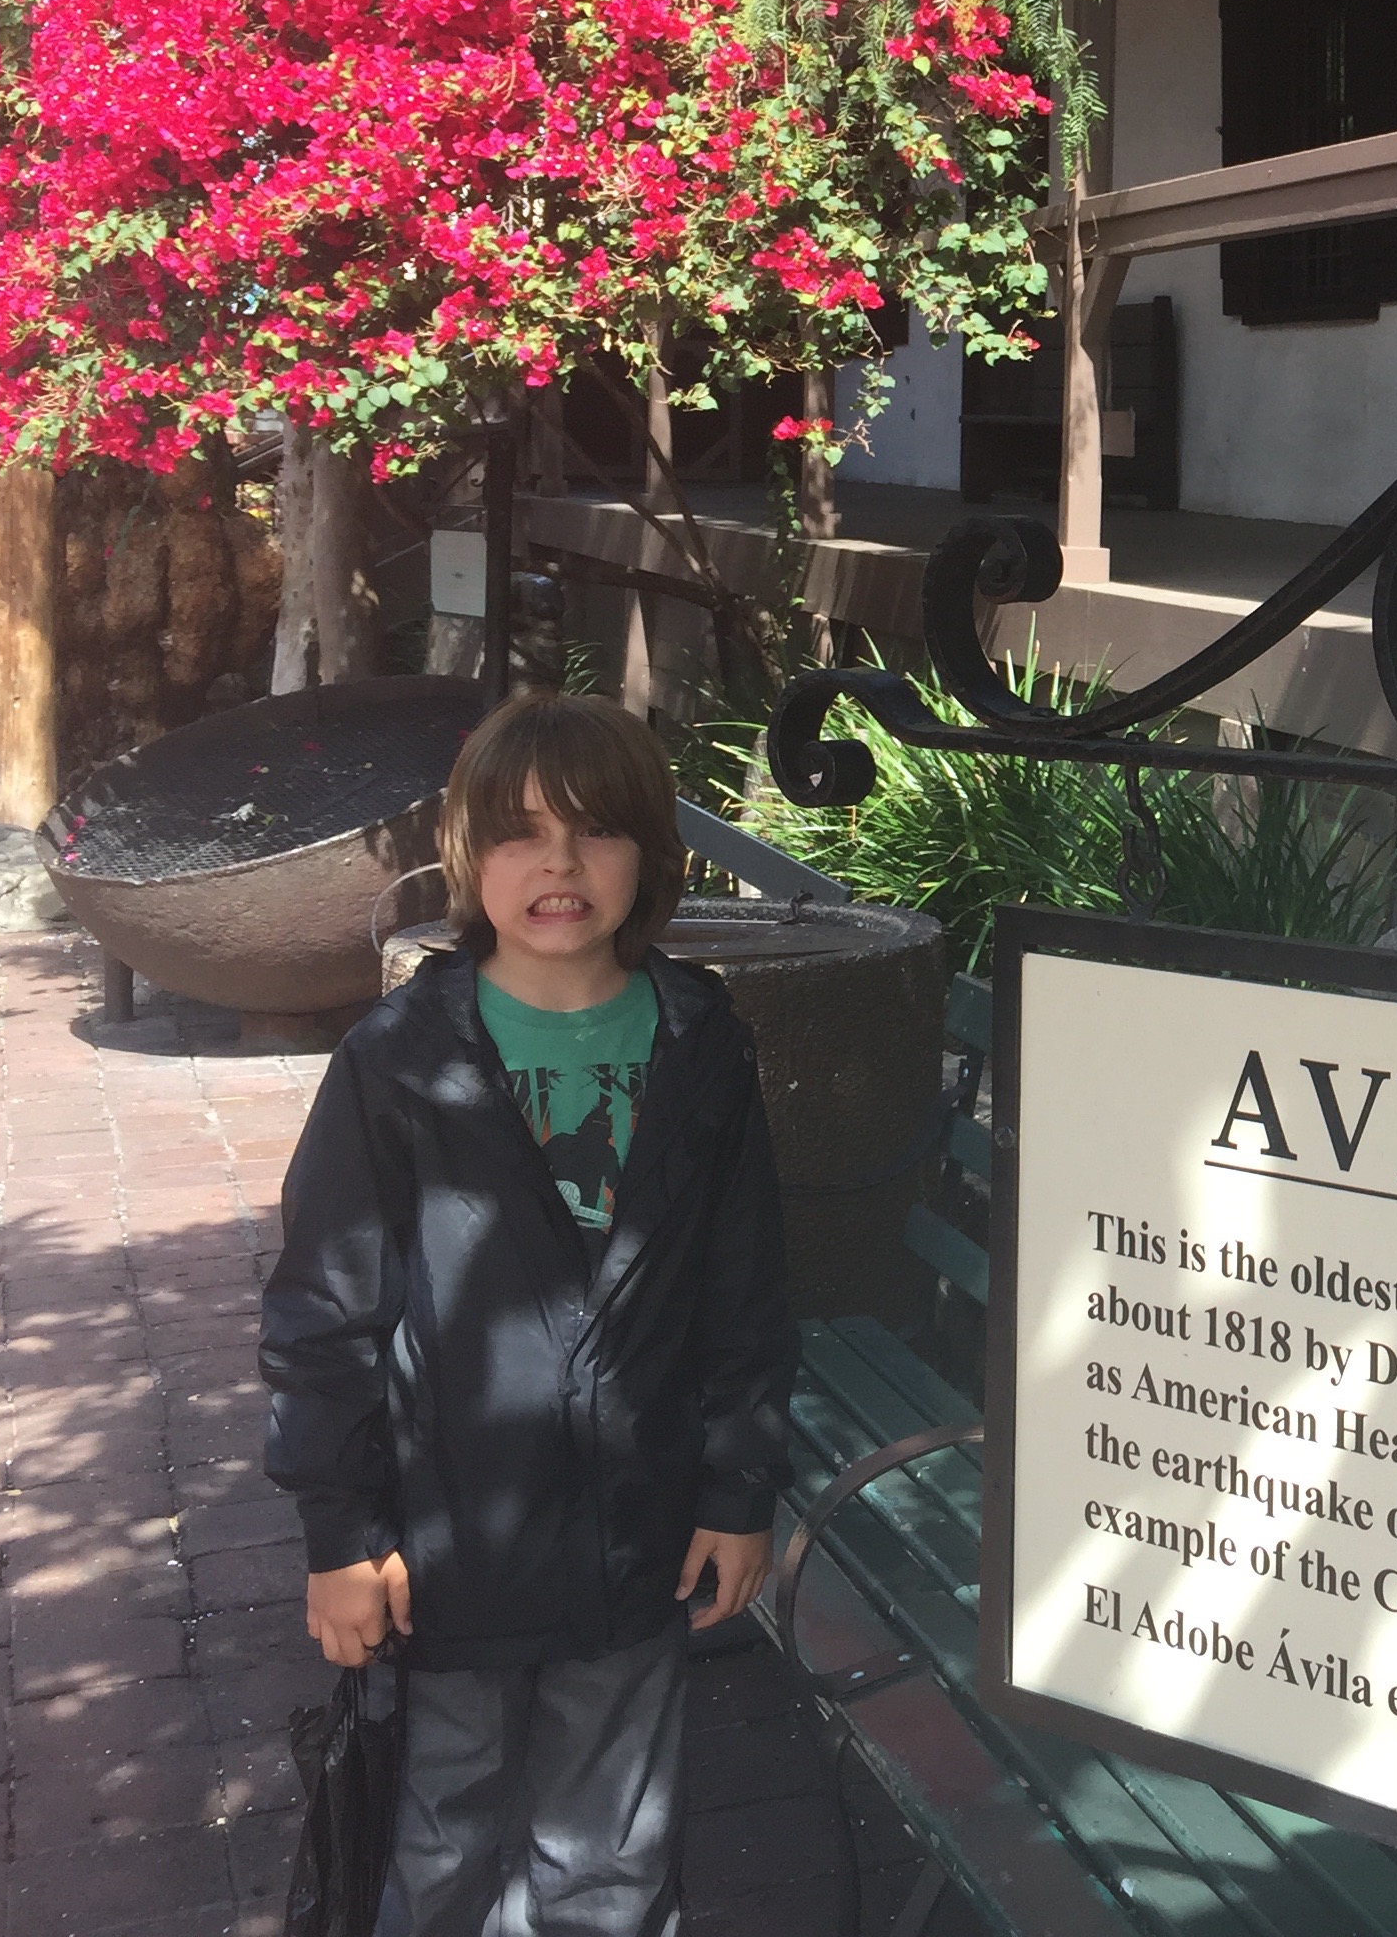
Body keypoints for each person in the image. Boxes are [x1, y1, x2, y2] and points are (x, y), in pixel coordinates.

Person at [262, 691, 796, 1937]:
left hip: (634, 1532)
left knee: (610, 1855)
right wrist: (340, 1536)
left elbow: (745, 1284)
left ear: (649, 853)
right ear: (468, 856)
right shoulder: (400, 1059)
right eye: (520, 834)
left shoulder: (700, 1042)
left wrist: (737, 1490)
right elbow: (326, 1310)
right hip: (452, 1544)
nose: (559, 865)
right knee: (441, 1839)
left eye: (596, 830)